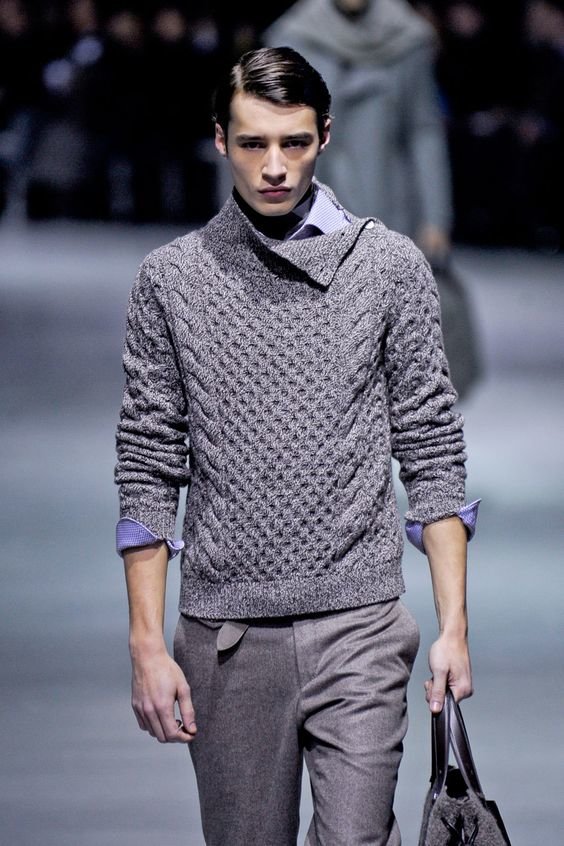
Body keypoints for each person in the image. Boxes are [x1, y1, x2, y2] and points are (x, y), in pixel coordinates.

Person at [114, 46, 480, 846]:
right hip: (227, 642)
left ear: (325, 136)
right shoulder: (171, 281)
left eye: (295, 142)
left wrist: (453, 626)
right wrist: (146, 644)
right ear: (220, 139)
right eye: (253, 143)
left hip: (362, 627)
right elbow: (148, 464)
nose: (275, 166)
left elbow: (432, 448)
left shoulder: (387, 268)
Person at [262, 0, 454, 267]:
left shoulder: (408, 38)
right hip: (310, 207)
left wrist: (435, 218)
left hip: (388, 202)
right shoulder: (294, 36)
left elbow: (423, 132)